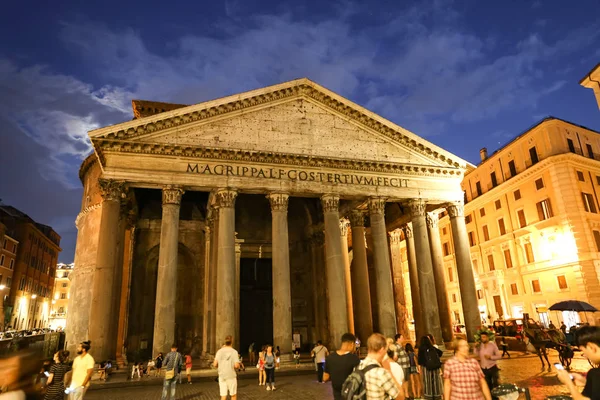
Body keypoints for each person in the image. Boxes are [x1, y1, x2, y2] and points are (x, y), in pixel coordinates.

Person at [557, 325, 600, 400]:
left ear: (591, 347)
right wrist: (586, 382)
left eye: (583, 351)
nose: (585, 356)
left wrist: (569, 383)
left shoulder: (595, 373)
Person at [357, 333, 400, 399]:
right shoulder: (381, 372)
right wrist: (389, 371)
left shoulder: (359, 366)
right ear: (382, 350)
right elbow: (400, 396)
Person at [323, 333, 360, 400]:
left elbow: (325, 378)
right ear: (351, 344)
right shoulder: (354, 358)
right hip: (350, 394)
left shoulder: (330, 358)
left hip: (337, 394)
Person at [214, 335, 240, 400]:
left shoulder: (219, 351)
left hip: (222, 375)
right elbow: (236, 365)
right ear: (232, 342)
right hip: (231, 375)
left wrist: (220, 366)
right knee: (233, 395)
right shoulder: (234, 352)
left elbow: (215, 364)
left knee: (223, 396)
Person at [418, 335, 443, 400]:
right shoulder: (432, 347)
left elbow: (420, 360)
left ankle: (429, 396)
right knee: (436, 381)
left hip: (426, 367)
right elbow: (440, 353)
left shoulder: (421, 348)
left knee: (427, 381)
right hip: (435, 367)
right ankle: (437, 395)